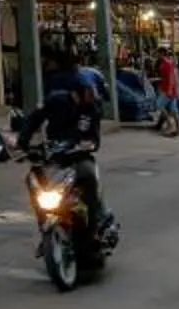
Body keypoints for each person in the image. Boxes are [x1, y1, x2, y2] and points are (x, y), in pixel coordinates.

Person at [14, 49, 108, 232]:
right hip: (56, 149)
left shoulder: (86, 96)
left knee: (88, 174)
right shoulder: (53, 92)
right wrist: (22, 143)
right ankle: (44, 223)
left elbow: (92, 125)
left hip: (79, 152)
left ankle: (95, 224)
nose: (92, 95)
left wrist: (85, 142)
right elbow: (36, 117)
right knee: (33, 179)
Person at [156, 49, 179, 134]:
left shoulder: (167, 64)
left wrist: (169, 89)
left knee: (159, 105)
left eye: (158, 53)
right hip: (170, 90)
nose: (157, 55)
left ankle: (170, 124)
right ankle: (178, 129)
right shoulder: (166, 64)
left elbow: (171, 77)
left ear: (162, 53)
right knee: (173, 110)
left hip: (168, 90)